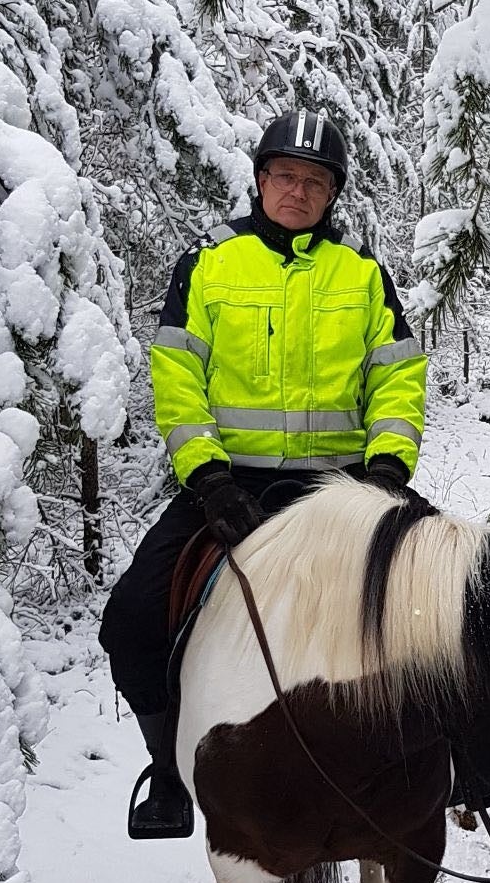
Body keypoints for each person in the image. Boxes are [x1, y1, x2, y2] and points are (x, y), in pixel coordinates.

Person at [100, 113, 427, 837]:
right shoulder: (209, 263)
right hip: (228, 489)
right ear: (259, 179)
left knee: (442, 603)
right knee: (131, 622)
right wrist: (208, 478)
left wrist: (386, 471)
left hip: (344, 487)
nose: (297, 191)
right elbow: (177, 378)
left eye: (314, 181)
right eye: (285, 175)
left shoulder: (363, 273)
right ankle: (170, 771)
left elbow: (398, 377)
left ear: (333, 194)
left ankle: (446, 766)